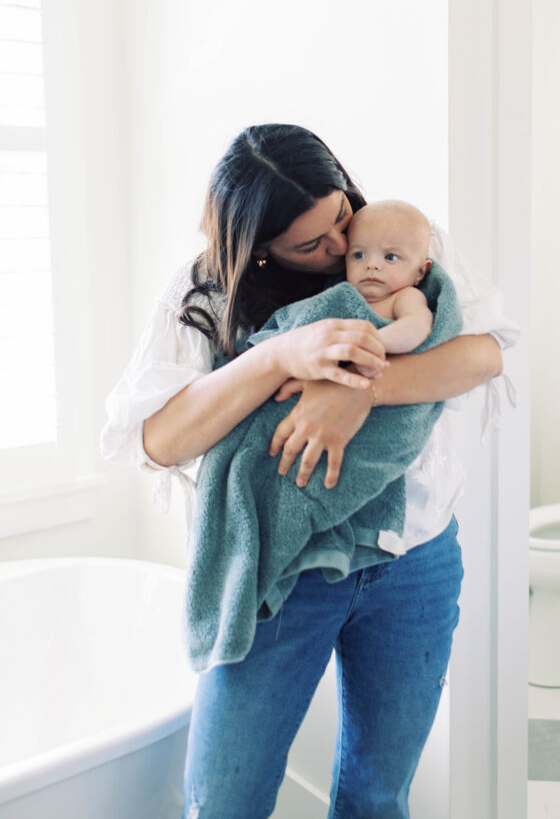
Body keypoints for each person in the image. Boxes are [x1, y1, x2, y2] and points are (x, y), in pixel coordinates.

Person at [100, 123, 519, 819]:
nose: (339, 252)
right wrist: (277, 358)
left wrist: (357, 390)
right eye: (309, 244)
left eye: (340, 221)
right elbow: (158, 438)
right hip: (278, 571)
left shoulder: (401, 243)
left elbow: (482, 354)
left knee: (378, 794)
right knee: (225, 799)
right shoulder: (204, 290)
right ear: (258, 247)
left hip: (411, 561)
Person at [344, 199, 434, 372]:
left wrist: (375, 343)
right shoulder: (342, 294)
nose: (371, 265)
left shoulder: (404, 297)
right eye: (359, 255)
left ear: (420, 272)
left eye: (390, 257)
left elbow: (417, 325)